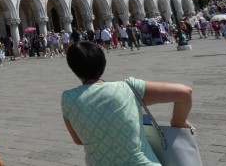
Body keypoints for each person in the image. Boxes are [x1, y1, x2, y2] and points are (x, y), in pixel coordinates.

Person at [61, 41, 193, 166]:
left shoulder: (67, 98)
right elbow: (185, 93)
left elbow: (78, 140)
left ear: (73, 69)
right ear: (103, 62)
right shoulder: (129, 87)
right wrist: (178, 122)